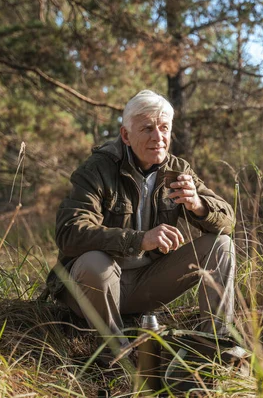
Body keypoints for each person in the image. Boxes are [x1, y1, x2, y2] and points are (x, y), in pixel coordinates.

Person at [46, 90, 235, 364]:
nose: (158, 138)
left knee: (221, 245)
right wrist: (139, 240)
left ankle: (214, 348)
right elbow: (69, 233)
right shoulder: (97, 169)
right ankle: (116, 354)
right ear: (125, 135)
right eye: (147, 128)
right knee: (94, 262)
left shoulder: (177, 169)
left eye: (164, 128)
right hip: (93, 289)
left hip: (146, 284)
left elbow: (228, 221)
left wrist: (198, 205)